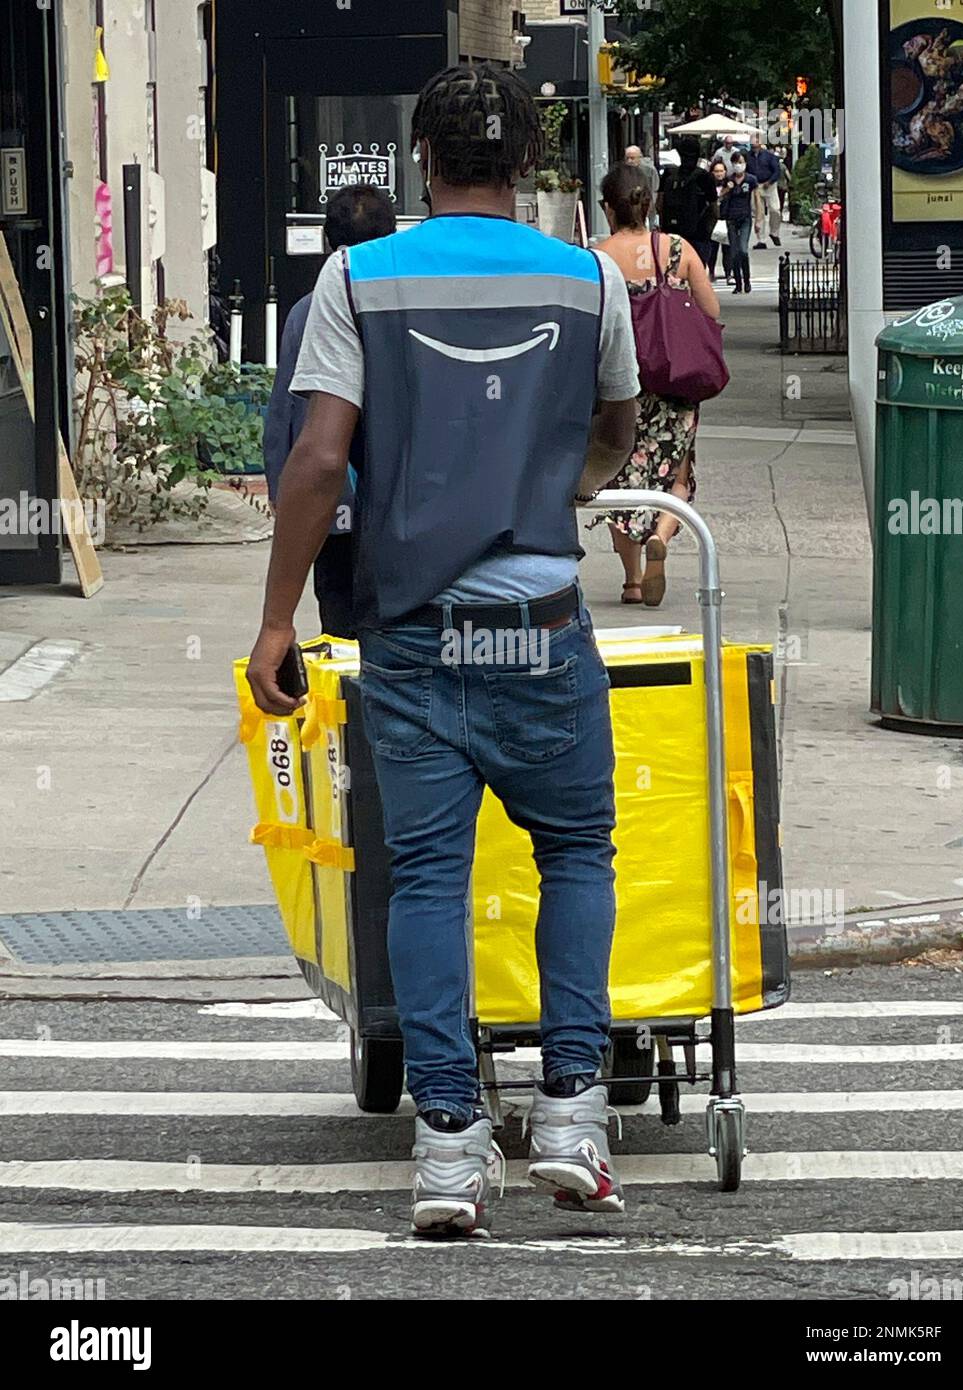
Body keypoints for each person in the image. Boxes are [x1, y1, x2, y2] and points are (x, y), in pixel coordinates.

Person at [246, 64, 640, 1238]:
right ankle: (572, 1112)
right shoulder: (586, 281)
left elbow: (318, 461)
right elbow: (615, 422)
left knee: (424, 877)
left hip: (413, 632)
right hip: (540, 628)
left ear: (422, 160)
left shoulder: (359, 277)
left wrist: (278, 620)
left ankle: (450, 1152)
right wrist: (555, 486)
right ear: (527, 166)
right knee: (576, 851)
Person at [263, 185, 397, 639]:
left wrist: (282, 485)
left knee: (337, 615)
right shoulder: (402, 308)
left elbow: (285, 407)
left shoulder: (306, 312)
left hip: (329, 502)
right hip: (394, 502)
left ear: (325, 241)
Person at [591, 162, 720, 607]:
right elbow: (711, 312)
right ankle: (660, 538)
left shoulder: (598, 257)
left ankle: (630, 580)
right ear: (650, 203)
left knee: (617, 474)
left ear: (608, 207)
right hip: (676, 382)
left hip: (620, 384)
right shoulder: (678, 250)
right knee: (677, 475)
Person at [657, 136, 718, 264]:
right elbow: (714, 208)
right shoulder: (705, 177)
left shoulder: (669, 174)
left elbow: (659, 204)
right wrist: (708, 232)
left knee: (673, 274)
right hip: (698, 234)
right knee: (697, 273)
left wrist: (664, 225)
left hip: (672, 233)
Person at [725, 154, 758, 294]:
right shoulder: (729, 180)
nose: (738, 165)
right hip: (731, 218)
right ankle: (738, 283)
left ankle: (747, 280)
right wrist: (728, 188)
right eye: (736, 162)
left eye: (741, 162)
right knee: (734, 253)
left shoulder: (751, 180)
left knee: (743, 250)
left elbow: (756, 198)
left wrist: (759, 218)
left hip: (745, 217)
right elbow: (720, 196)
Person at [745, 135, 782, 249]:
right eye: (752, 144)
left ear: (760, 143)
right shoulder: (747, 156)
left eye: (756, 143)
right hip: (756, 186)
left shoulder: (769, 156)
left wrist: (770, 181)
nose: (754, 146)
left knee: (775, 210)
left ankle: (774, 232)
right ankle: (761, 240)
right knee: (758, 213)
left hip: (769, 185)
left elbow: (777, 171)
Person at [706, 158, 733, 284]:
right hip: (712, 220)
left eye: (721, 171)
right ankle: (711, 272)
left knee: (727, 249)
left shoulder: (730, 186)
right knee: (712, 249)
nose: (719, 174)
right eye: (716, 171)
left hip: (726, 219)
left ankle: (729, 273)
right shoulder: (708, 186)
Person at [625, 144, 660, 227]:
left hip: (647, 207)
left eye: (632, 158)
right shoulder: (623, 172)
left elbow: (655, 189)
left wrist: (650, 205)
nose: (629, 161)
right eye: (627, 158)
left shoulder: (649, 170)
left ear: (639, 158)